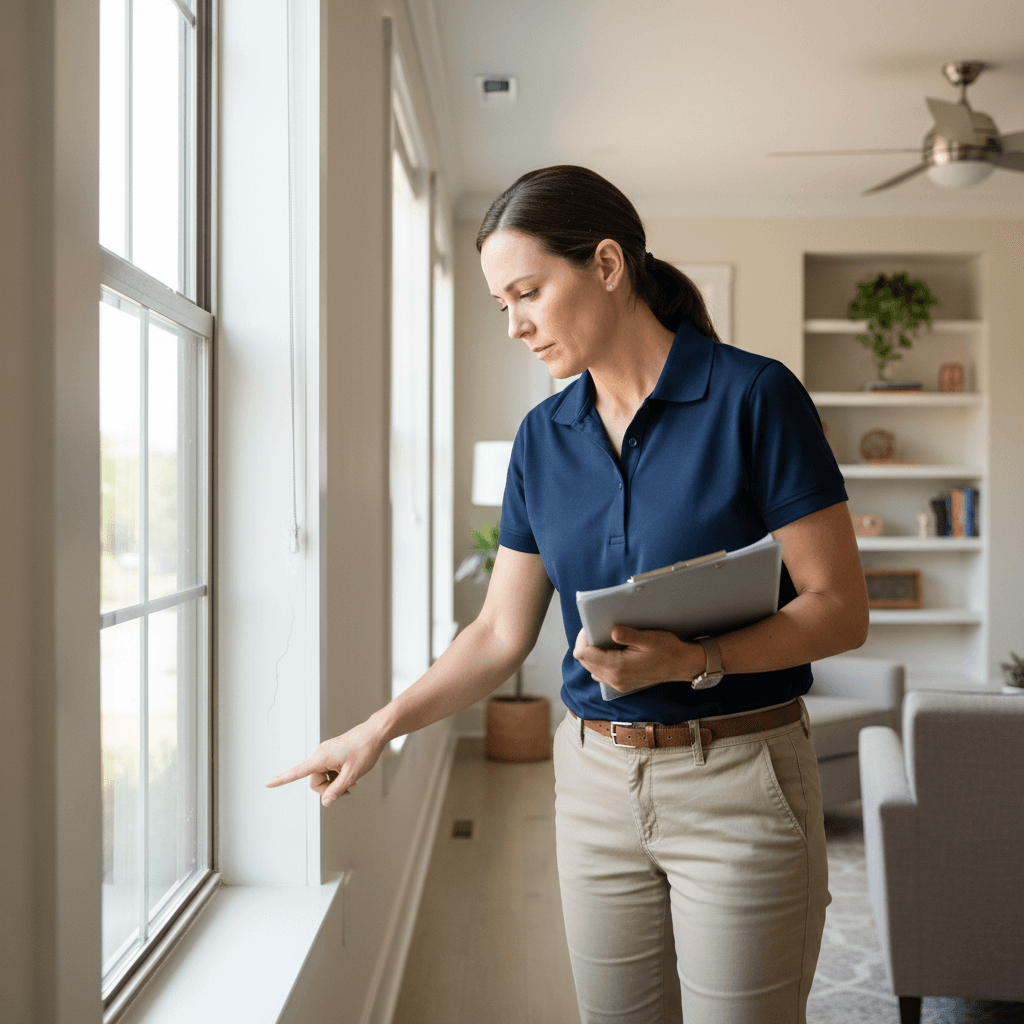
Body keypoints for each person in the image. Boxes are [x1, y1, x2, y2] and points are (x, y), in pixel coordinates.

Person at [267, 165, 869, 1024]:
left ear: (609, 266)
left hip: (741, 777)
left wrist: (700, 658)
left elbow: (840, 609)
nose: (514, 325)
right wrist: (379, 729)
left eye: (528, 292)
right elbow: (500, 632)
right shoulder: (542, 438)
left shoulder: (754, 396)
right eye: (500, 304)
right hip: (593, 783)